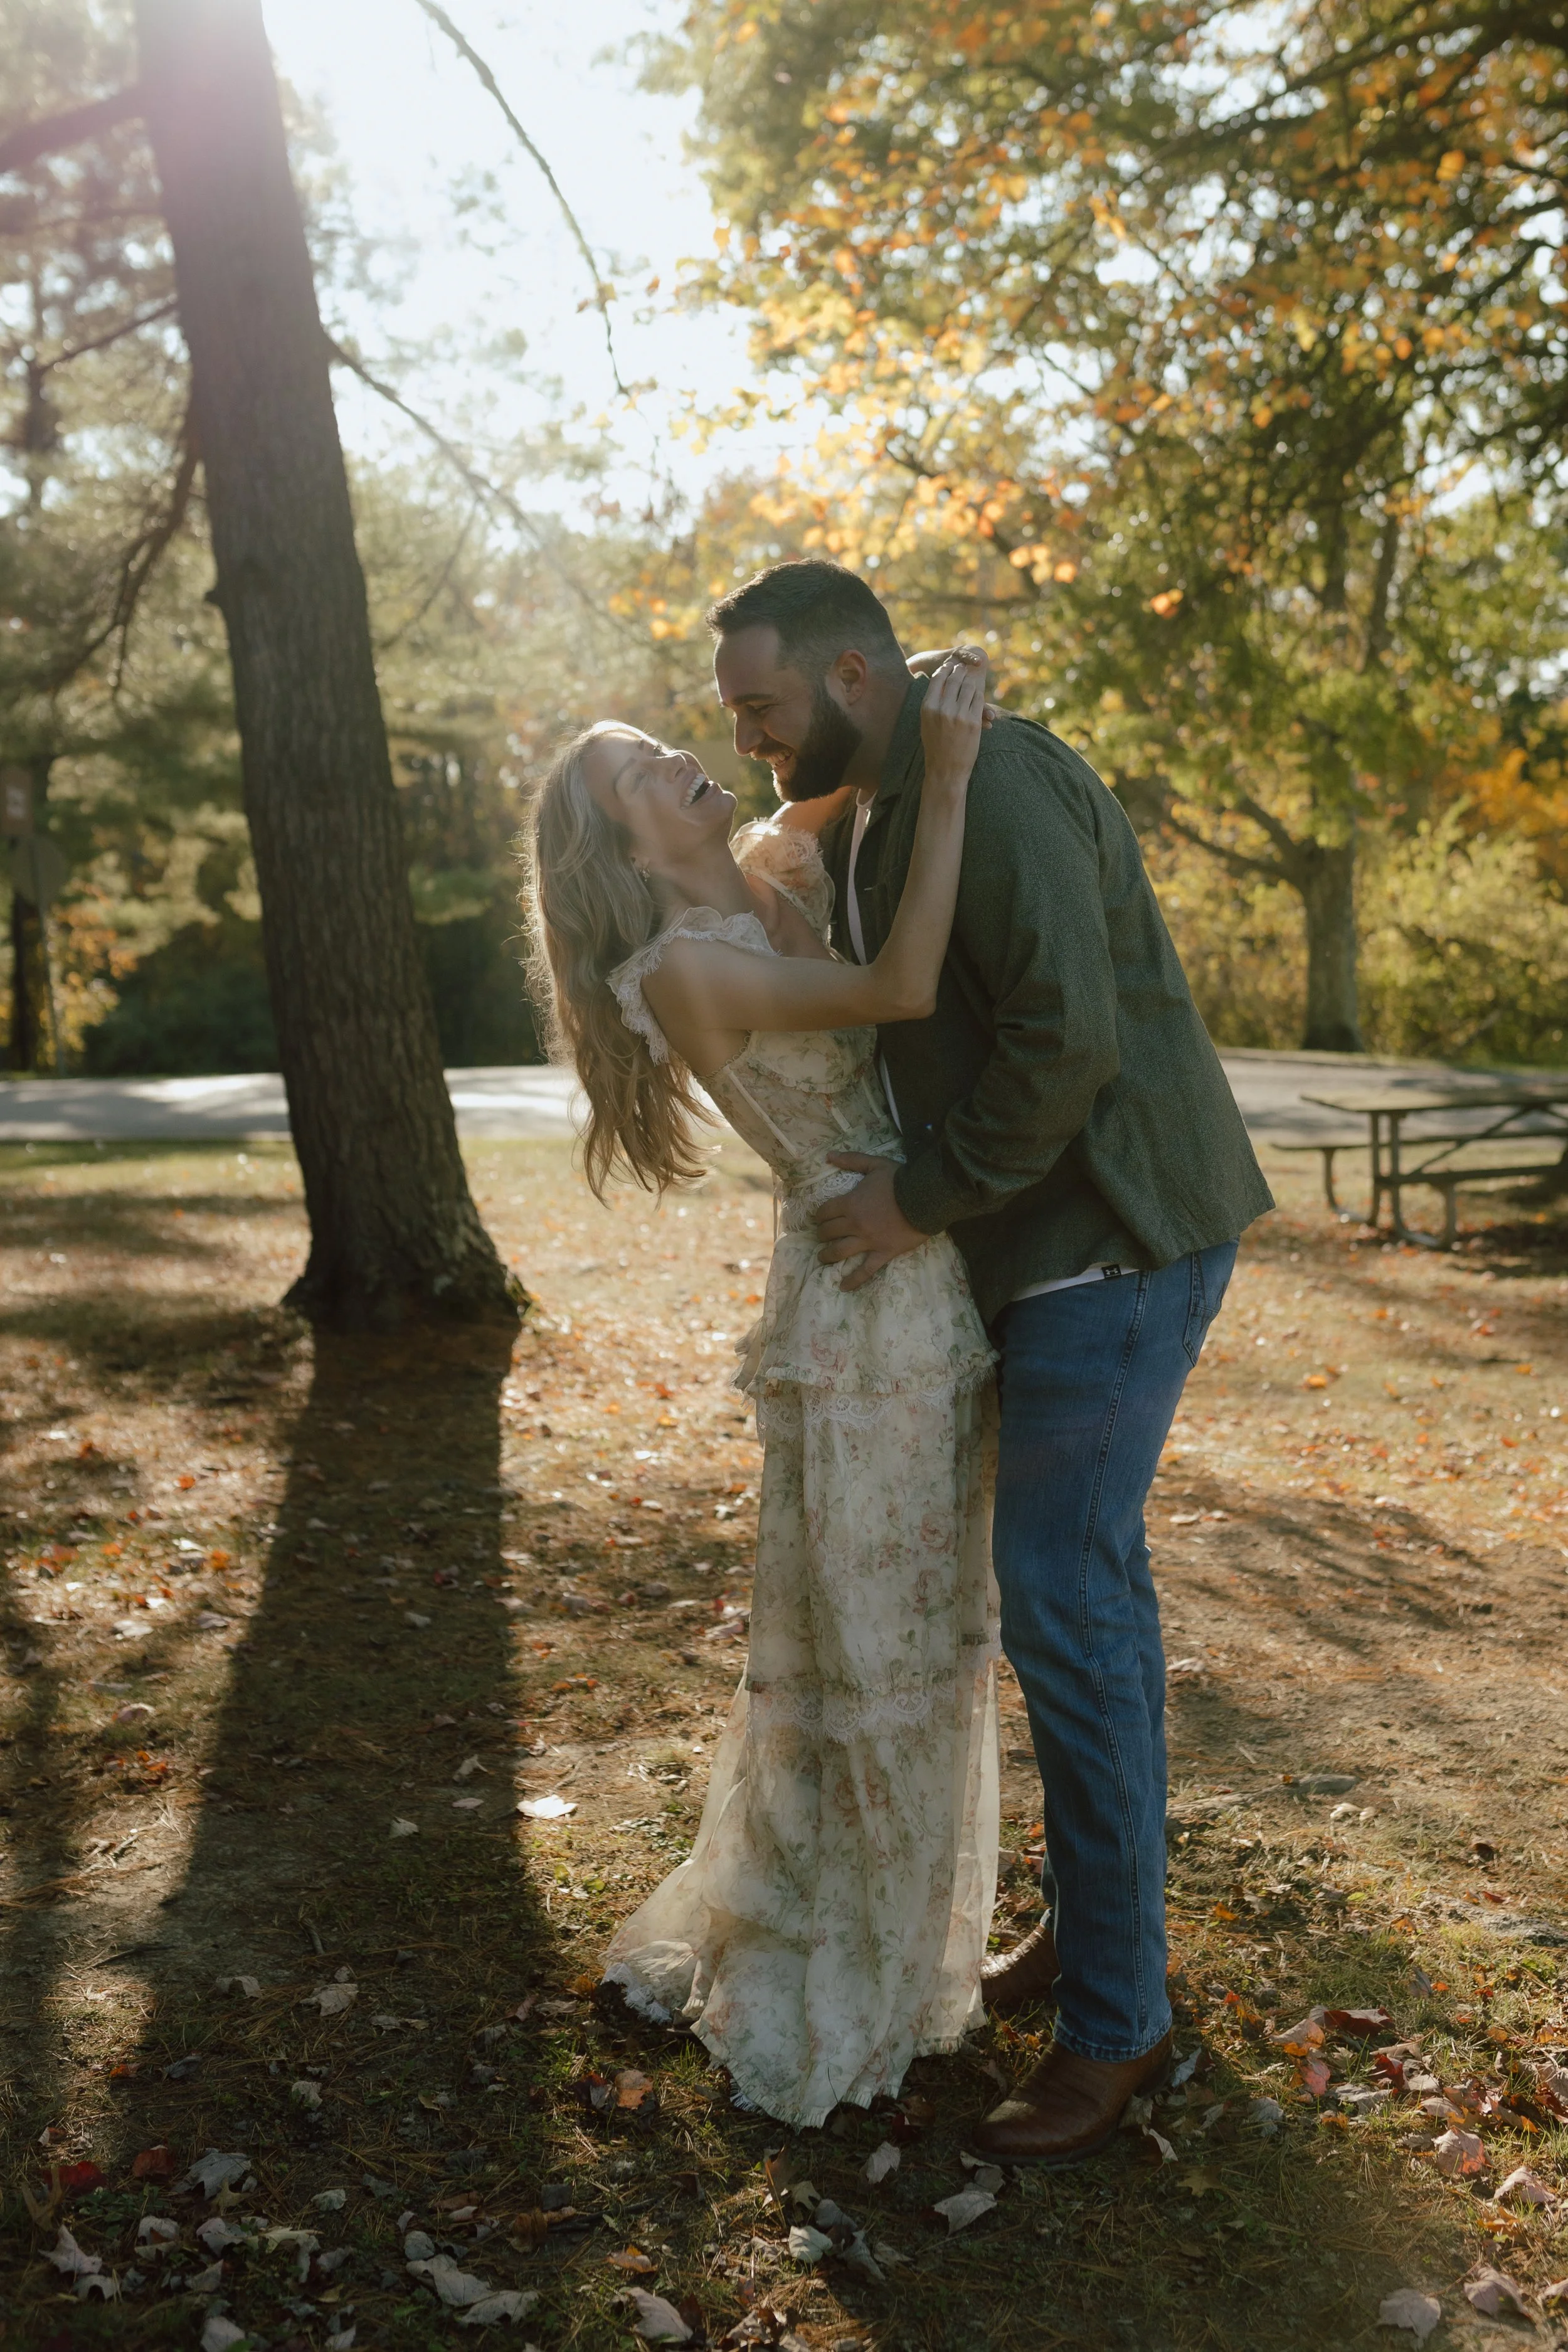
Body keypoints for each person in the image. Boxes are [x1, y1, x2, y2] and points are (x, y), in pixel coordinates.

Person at [707, 560, 1274, 2165]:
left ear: (852, 679)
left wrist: (914, 1199)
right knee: (1078, 1609)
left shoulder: (995, 783)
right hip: (1042, 1265)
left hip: (1114, 1239)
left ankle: (1117, 2028)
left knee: (1067, 1606)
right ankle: (1105, 1954)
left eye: (760, 703)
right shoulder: (889, 799)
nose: (745, 734)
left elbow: (1062, 1042)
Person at [524, 651, 1002, 2130]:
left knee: (919, 1622)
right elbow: (901, 986)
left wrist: (905, 703)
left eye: (670, 743)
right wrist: (959, 777)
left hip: (908, 1268)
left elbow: (822, 783)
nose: (684, 759)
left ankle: (889, 1916)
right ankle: (857, 1955)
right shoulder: (676, 964)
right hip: (863, 1304)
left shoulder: (745, 872)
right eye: (642, 773)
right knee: (878, 1639)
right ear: (618, 842)